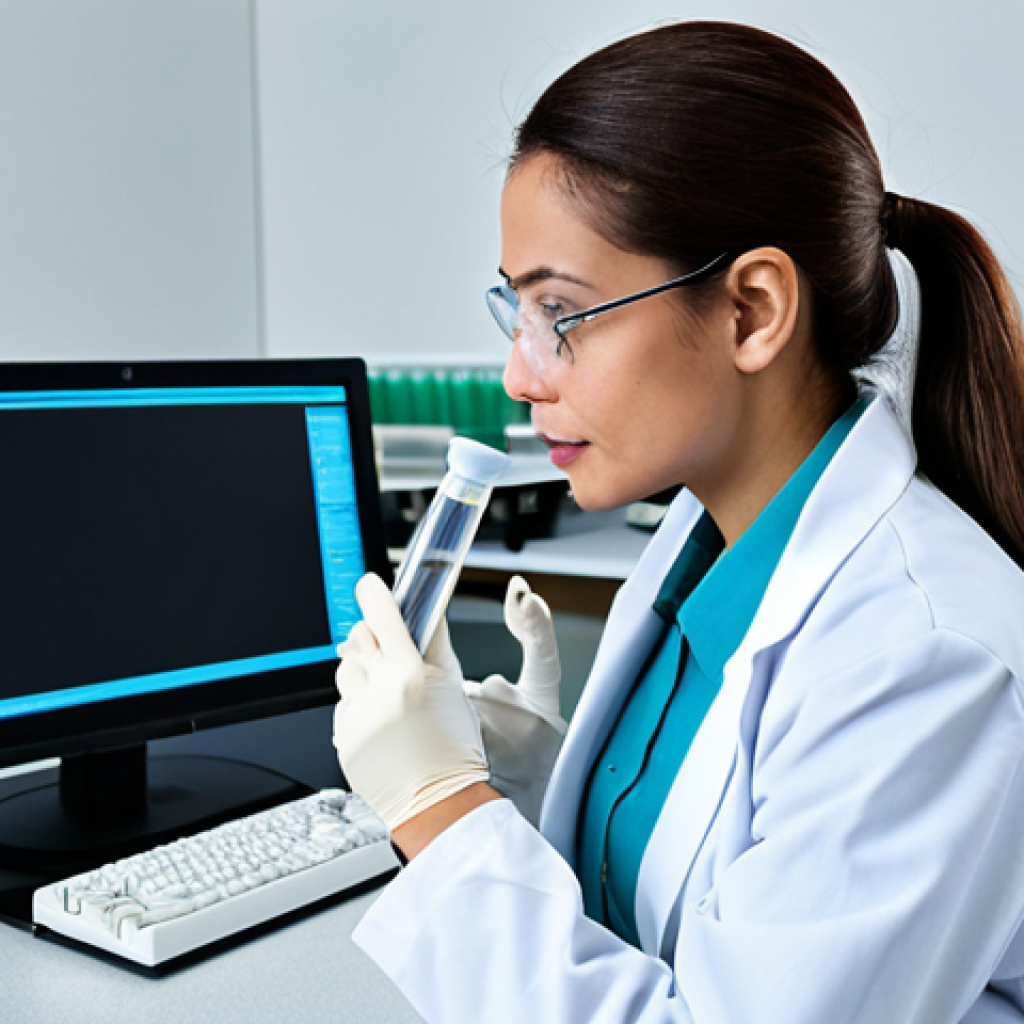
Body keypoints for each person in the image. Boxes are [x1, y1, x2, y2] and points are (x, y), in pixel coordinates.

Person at [333, 21, 1024, 1024]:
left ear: (751, 311)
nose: (520, 375)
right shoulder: (702, 540)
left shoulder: (926, 659)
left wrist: (441, 809)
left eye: (561, 315)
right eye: (514, 314)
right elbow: (704, 884)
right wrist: (531, 776)